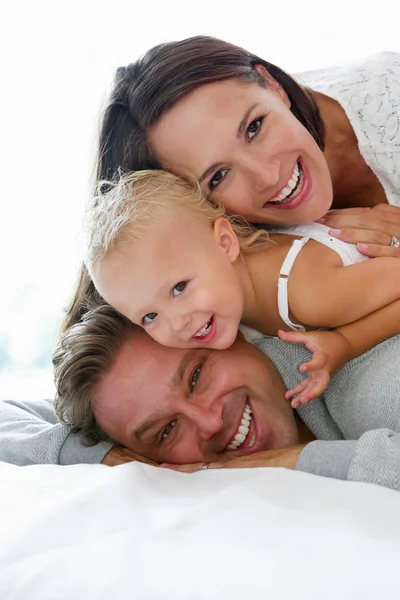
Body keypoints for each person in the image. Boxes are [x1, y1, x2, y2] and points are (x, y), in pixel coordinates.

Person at [63, 36, 400, 333]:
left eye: (254, 128)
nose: (267, 176)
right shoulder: (226, 258)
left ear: (273, 86)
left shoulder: (388, 92)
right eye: (218, 177)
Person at [2, 303, 400, 492]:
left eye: (196, 376)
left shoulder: (363, 378)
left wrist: (293, 460)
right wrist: (108, 458)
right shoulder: (135, 447)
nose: (210, 422)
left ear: (228, 331)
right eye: (167, 430)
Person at [85, 169, 400, 405]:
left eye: (179, 288)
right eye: (149, 317)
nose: (177, 323)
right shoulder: (232, 291)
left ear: (224, 242)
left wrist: (346, 342)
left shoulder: (310, 294)